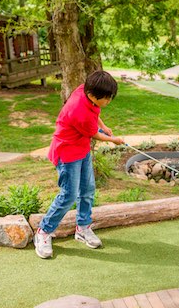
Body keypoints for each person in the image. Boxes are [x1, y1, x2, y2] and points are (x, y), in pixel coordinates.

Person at [34, 70, 125, 259]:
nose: (108, 102)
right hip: (67, 154)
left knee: (88, 189)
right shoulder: (78, 111)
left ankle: (82, 228)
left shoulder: (85, 90)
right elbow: (94, 134)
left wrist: (104, 125)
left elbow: (95, 114)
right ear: (93, 95)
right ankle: (43, 231)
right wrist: (112, 139)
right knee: (68, 196)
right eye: (106, 98)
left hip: (81, 150)